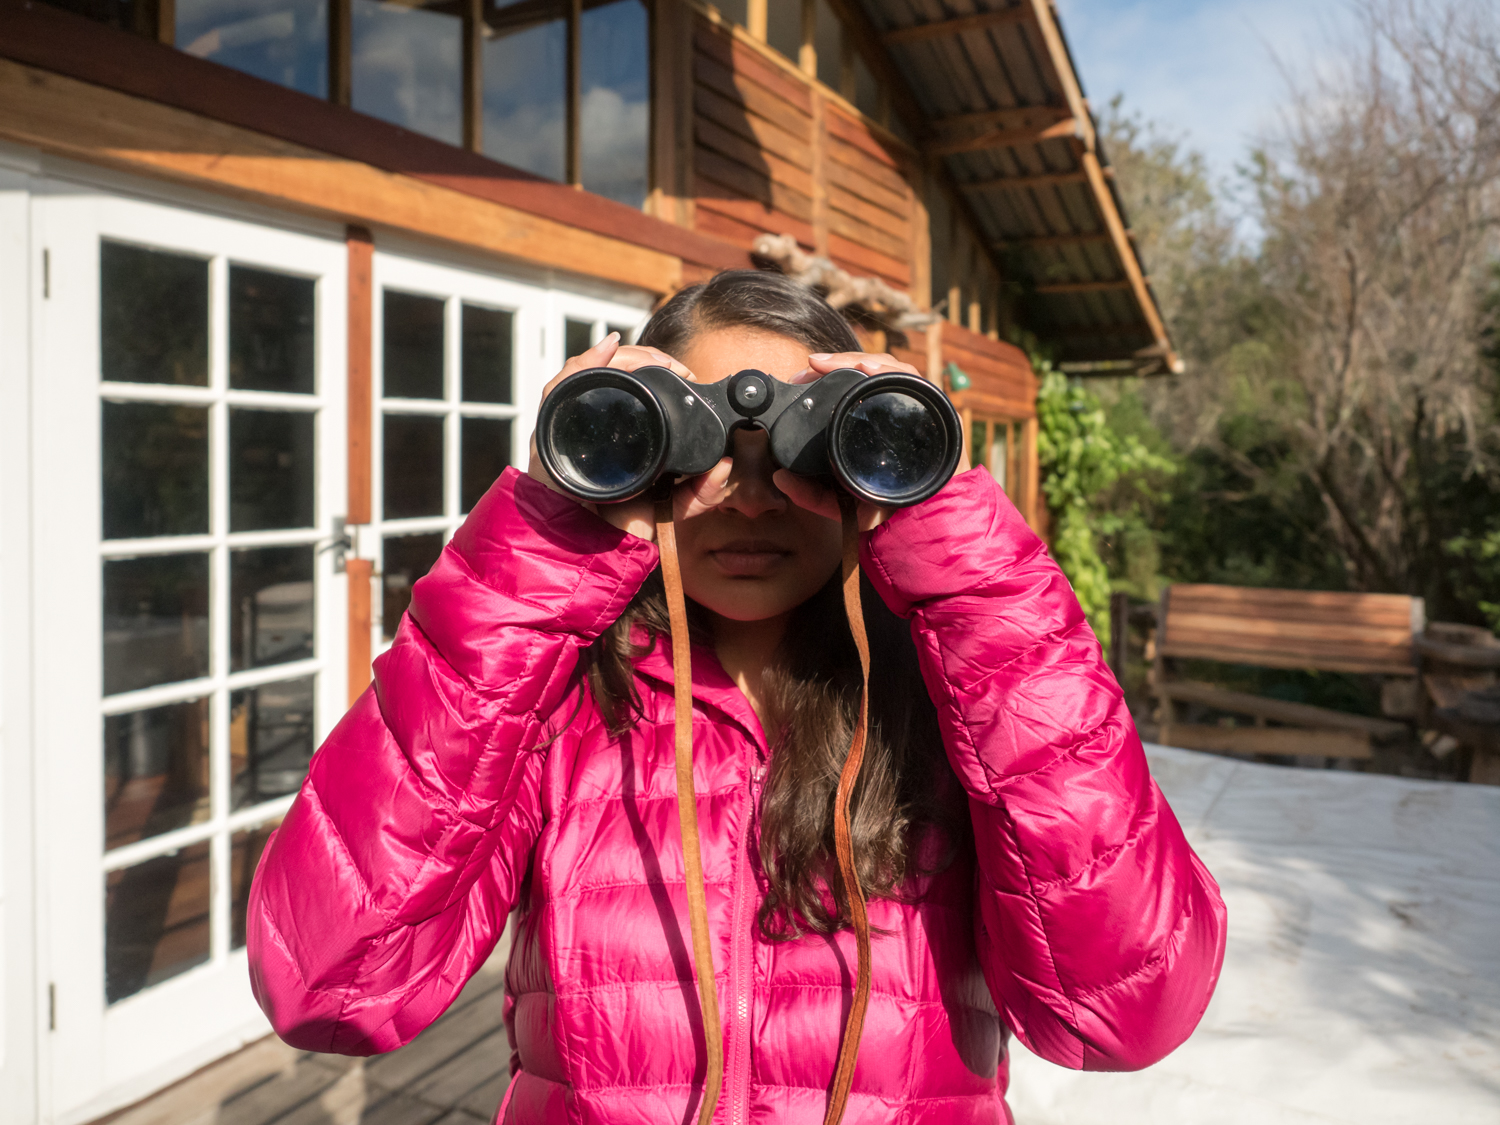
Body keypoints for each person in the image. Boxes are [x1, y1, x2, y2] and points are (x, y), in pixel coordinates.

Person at [247, 270, 1227, 1125]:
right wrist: (546, 541)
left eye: (800, 450)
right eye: (700, 442)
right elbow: (330, 984)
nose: (752, 498)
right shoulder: (560, 698)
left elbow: (1122, 1012)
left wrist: (971, 580)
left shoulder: (956, 694)